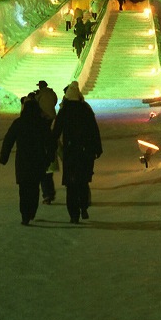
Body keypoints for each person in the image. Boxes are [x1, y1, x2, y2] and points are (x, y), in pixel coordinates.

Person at [0, 97, 56, 226]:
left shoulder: (19, 123)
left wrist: (4, 157)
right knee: (34, 188)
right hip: (38, 160)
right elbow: (50, 142)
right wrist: (50, 157)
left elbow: (8, 140)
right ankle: (31, 212)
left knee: (24, 189)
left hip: (23, 161)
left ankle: (25, 215)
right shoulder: (41, 124)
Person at [52, 81, 102, 224]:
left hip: (70, 152)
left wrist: (50, 147)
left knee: (71, 184)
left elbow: (56, 131)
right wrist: (97, 148)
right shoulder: (85, 109)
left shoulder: (65, 111)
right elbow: (94, 130)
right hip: (85, 152)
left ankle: (74, 214)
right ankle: (84, 206)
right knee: (83, 181)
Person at [35, 80, 58, 204]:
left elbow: (36, 102)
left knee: (44, 174)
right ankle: (49, 193)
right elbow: (55, 100)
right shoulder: (51, 92)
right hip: (51, 114)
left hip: (44, 114)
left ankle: (47, 194)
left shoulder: (40, 94)